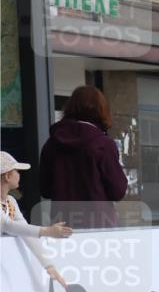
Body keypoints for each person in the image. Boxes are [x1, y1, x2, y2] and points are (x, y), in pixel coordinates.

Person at [39, 85, 128, 229]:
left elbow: (45, 189)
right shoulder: (103, 144)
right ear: (101, 109)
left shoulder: (51, 144)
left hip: (61, 226)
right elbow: (117, 191)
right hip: (99, 225)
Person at [1, 152, 73, 286]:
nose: (19, 175)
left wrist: (48, 265)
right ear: (7, 176)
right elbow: (7, 225)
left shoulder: (10, 201)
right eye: (16, 170)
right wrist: (47, 231)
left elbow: (23, 230)